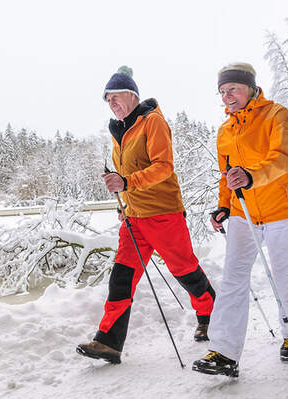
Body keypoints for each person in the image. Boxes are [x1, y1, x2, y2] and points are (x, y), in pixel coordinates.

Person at [76, 66, 216, 364]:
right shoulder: (119, 132)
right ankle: (109, 342)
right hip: (134, 218)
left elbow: (164, 166)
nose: (112, 104)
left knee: (184, 270)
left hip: (163, 213)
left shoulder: (152, 122)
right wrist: (121, 202)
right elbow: (123, 174)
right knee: (121, 278)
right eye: (107, 100)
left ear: (132, 95)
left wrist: (127, 182)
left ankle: (211, 315)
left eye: (116, 97)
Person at [192, 63, 288, 377]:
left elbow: (283, 159)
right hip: (244, 212)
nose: (227, 96)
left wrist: (251, 176)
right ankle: (225, 352)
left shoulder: (276, 115)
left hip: (283, 209)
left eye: (232, 88)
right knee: (233, 279)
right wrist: (223, 206)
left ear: (249, 87)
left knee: (286, 276)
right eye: (222, 91)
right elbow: (226, 175)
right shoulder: (225, 131)